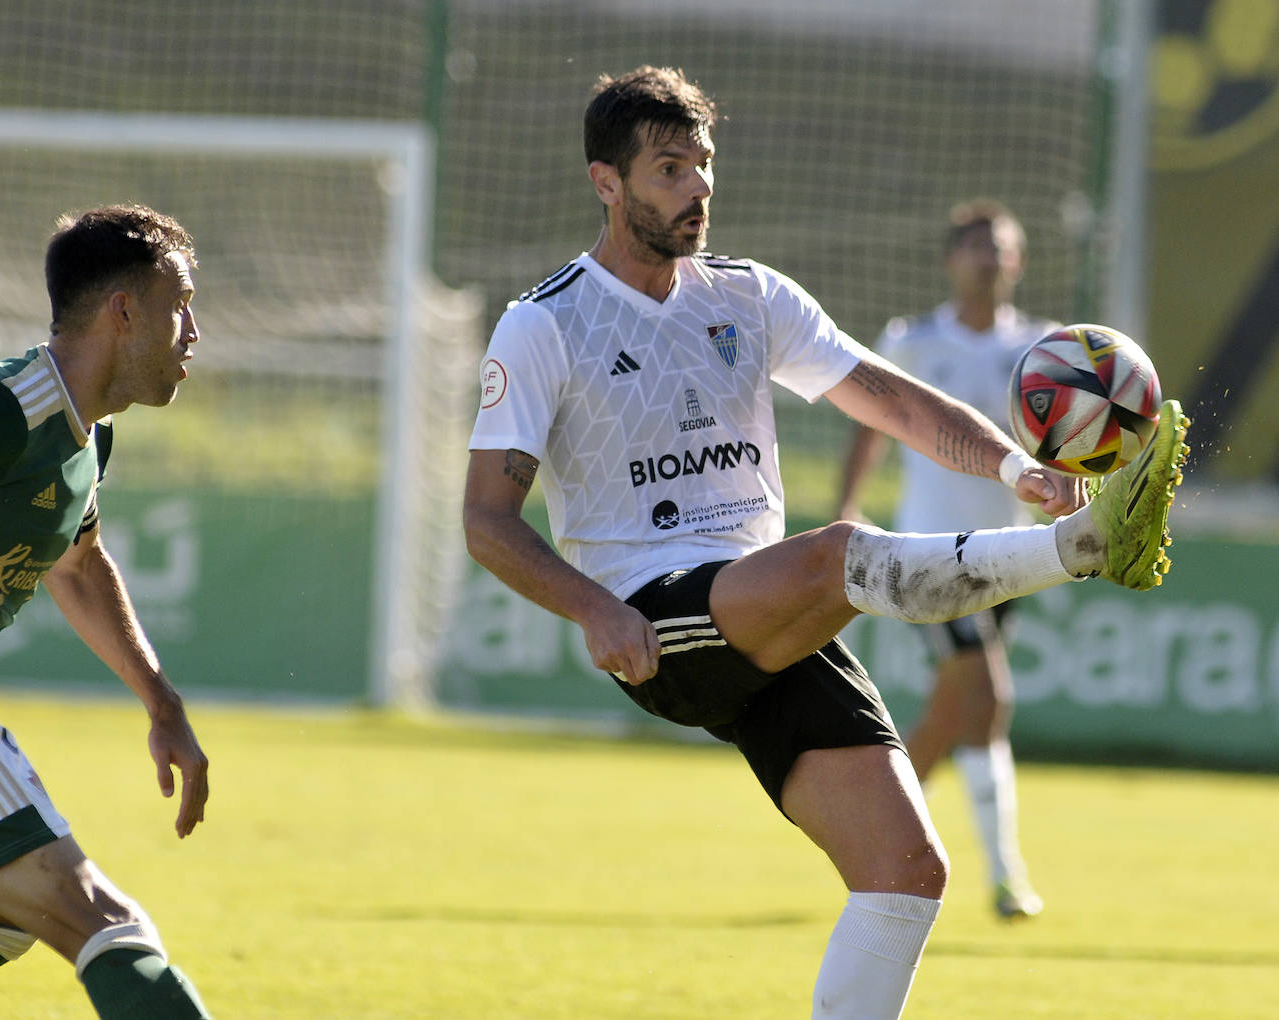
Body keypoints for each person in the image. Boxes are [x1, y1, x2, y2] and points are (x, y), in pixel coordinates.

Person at [462, 66, 1187, 1020]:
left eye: (705, 165)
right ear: (608, 181)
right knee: (837, 551)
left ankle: (1071, 529)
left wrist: (1019, 470)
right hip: (654, 614)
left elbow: (886, 398)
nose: (698, 188)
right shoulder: (544, 322)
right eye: (670, 169)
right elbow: (487, 520)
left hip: (765, 616)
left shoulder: (750, 296)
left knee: (907, 873)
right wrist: (595, 607)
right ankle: (1083, 547)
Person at [0, 204, 212, 1019]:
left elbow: (78, 564)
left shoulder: (86, 438)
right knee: (103, 920)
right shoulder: (6, 409)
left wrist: (161, 702)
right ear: (123, 311)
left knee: (5, 912)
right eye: (180, 303)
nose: (194, 331)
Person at [835, 198, 1053, 920]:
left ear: (1019, 263)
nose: (990, 260)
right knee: (990, 698)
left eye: (1003, 249)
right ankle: (1006, 877)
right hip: (930, 555)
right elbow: (870, 419)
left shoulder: (1042, 352)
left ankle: (872, 835)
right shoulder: (913, 340)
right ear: (951, 260)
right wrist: (848, 506)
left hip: (1011, 556)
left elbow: (1064, 443)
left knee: (957, 713)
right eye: (977, 248)